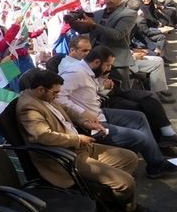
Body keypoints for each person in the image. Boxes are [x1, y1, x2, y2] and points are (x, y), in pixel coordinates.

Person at [17, 70, 158, 212]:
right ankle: (125, 208)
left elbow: (66, 110)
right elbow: (43, 136)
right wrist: (78, 139)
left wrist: (86, 121)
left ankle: (107, 202)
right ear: (41, 89)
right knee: (125, 182)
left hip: (79, 146)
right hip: (66, 156)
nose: (57, 96)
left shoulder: (45, 96)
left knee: (130, 158)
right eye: (55, 93)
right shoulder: (28, 107)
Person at [57, 46, 177, 178]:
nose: (109, 68)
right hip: (89, 123)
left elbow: (87, 90)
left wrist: (103, 81)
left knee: (139, 117)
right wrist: (82, 112)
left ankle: (156, 164)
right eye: (107, 65)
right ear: (97, 62)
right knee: (140, 137)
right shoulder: (75, 73)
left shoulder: (89, 71)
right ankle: (147, 163)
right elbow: (58, 97)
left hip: (98, 112)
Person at [74, 0, 135, 88]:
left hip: (117, 62)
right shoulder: (98, 13)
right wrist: (74, 23)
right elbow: (86, 30)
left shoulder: (129, 14)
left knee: (123, 92)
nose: (107, 0)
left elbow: (118, 34)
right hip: (96, 62)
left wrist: (94, 25)